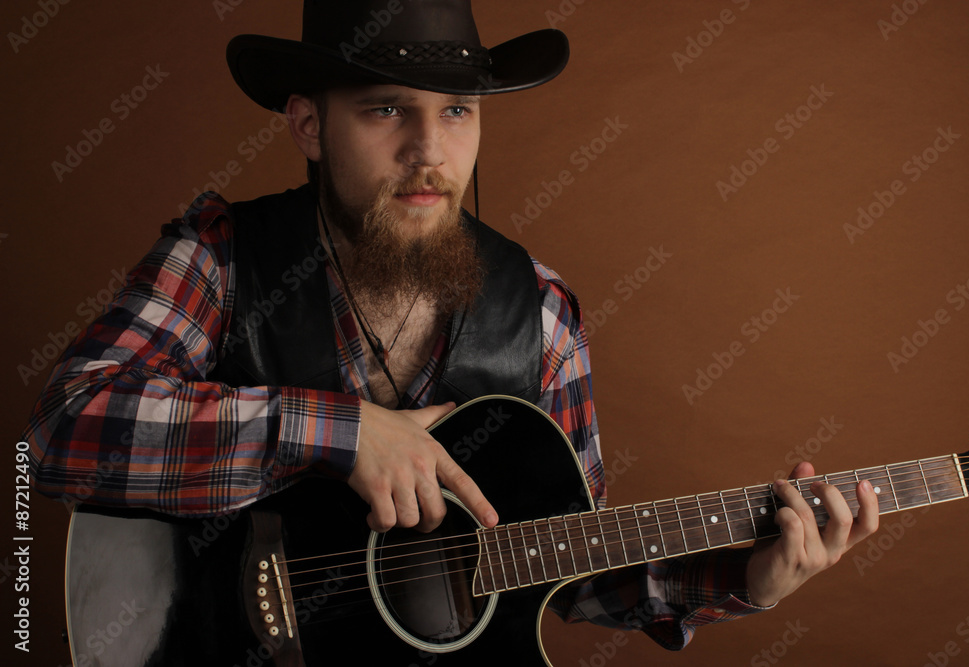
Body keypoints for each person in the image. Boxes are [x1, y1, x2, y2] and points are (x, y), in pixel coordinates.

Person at [22, 0, 878, 657]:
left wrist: (747, 579)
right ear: (308, 125)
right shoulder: (223, 259)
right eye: (387, 110)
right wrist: (342, 433)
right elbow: (65, 430)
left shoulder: (539, 314)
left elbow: (568, 567)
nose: (431, 151)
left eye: (458, 110)